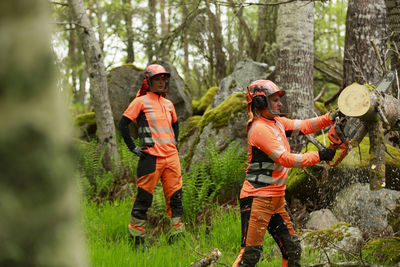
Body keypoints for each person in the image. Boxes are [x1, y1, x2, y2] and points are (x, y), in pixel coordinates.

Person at [232, 80, 337, 267]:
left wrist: (332, 116)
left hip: (277, 199)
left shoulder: (277, 123)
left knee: (293, 249)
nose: (280, 103)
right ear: (260, 102)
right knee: (250, 256)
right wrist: (319, 155)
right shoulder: (259, 130)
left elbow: (306, 125)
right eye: (274, 100)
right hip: (257, 199)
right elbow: (286, 159)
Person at [119, 64, 184, 250]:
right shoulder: (141, 101)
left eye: (165, 79)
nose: (163, 82)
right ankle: (137, 239)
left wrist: (175, 143)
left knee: (176, 199)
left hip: (172, 158)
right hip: (151, 159)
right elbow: (123, 123)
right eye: (158, 79)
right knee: (144, 199)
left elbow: (176, 124)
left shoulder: (169, 104)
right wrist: (133, 148)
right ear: (148, 81)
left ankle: (177, 236)